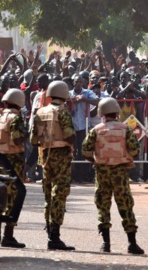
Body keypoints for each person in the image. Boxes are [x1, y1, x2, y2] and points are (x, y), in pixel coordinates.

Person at [81, 98, 144, 255]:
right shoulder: (125, 129)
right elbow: (135, 149)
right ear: (117, 112)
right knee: (125, 205)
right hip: (120, 173)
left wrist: (95, 160)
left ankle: (106, 243)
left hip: (102, 172)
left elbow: (85, 150)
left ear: (101, 113)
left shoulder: (96, 130)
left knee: (103, 206)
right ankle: (132, 243)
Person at [30, 81, 76, 251]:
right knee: (60, 193)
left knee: (48, 193)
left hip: (45, 155)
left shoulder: (40, 112)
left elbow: (33, 140)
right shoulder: (63, 112)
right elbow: (70, 135)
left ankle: (50, 231)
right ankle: (55, 236)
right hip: (61, 155)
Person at [0, 88, 27, 248]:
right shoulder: (16, 119)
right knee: (14, 198)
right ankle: (8, 236)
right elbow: (17, 140)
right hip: (13, 163)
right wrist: (26, 134)